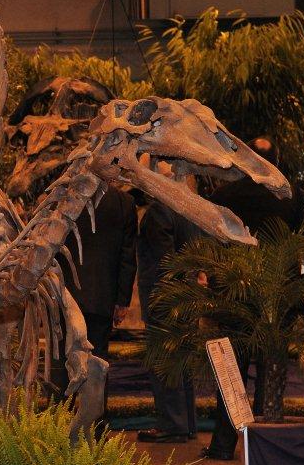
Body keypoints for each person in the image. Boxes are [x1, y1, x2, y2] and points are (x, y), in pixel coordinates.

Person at [201, 137, 304, 460]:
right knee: (270, 370)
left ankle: (223, 445)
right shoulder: (291, 196)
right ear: (275, 160)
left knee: (230, 372)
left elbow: (213, 238)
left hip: (235, 293)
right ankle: (264, 447)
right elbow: (299, 236)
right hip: (275, 297)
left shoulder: (225, 195)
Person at [51, 182, 137, 430]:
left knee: (62, 363)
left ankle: (58, 426)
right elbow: (127, 255)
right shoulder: (124, 202)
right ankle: (96, 428)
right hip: (102, 295)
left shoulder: (65, 193)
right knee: (98, 363)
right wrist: (122, 300)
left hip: (65, 293)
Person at [136, 192, 203, 444]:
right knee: (182, 362)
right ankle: (187, 424)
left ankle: (172, 424)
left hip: (164, 297)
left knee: (164, 361)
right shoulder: (187, 210)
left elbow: (164, 261)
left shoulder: (158, 212)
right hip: (186, 294)